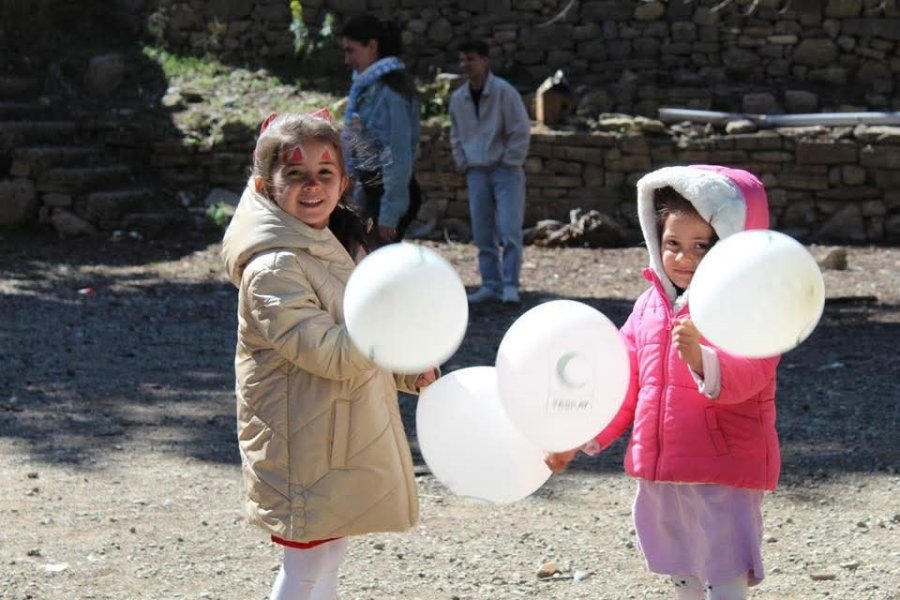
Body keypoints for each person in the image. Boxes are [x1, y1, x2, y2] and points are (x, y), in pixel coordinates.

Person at [221, 111, 438, 600]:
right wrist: (388, 336)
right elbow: (326, 351)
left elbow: (358, 328)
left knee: (328, 549)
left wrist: (408, 367)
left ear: (342, 183)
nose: (311, 185)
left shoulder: (334, 244)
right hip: (302, 441)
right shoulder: (273, 267)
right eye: (295, 174)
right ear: (265, 185)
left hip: (331, 432)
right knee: (307, 557)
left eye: (324, 174)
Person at [546, 165, 780, 600]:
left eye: (701, 246)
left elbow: (753, 371)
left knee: (723, 558)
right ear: (656, 242)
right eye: (672, 244)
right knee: (679, 555)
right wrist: (578, 436)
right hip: (663, 463)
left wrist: (702, 359)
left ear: (732, 245)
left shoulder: (750, 304)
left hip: (723, 466)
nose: (684, 258)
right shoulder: (648, 306)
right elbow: (622, 378)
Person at [448, 38, 531, 304]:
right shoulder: (458, 98)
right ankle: (490, 284)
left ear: (485, 60)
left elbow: (519, 129)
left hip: (505, 170)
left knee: (509, 230)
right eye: (462, 60)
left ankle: (509, 284)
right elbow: (456, 135)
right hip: (476, 171)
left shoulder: (505, 92)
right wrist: (463, 162)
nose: (466, 65)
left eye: (471, 59)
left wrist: (509, 161)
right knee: (482, 231)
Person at [340, 14, 422, 246]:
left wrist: (389, 213)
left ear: (372, 46)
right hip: (374, 191)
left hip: (385, 195)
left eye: (351, 51)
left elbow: (398, 156)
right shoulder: (368, 89)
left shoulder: (390, 95)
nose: (347, 60)